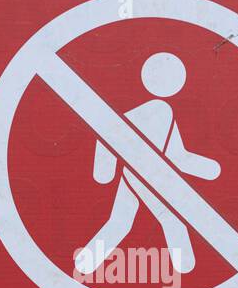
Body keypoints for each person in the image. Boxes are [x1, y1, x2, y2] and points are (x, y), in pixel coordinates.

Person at [74, 52, 220, 276]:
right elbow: (109, 135)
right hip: (149, 177)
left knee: (122, 222)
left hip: (143, 174)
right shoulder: (158, 112)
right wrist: (103, 170)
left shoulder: (163, 113)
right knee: (168, 219)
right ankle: (185, 267)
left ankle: (86, 264)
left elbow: (176, 154)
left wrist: (209, 169)